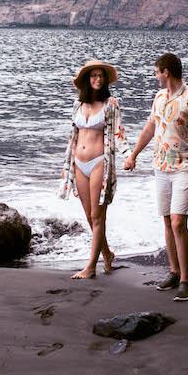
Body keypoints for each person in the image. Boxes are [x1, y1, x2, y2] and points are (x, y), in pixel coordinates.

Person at [123, 52, 188, 301]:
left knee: (177, 222)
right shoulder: (159, 97)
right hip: (161, 167)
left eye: (156, 72)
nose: (155, 77)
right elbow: (151, 127)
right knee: (166, 220)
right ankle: (173, 272)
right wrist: (134, 155)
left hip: (186, 167)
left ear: (166, 72)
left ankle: (185, 280)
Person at [58, 60, 129, 279]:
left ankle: (90, 267)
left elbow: (118, 132)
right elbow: (74, 135)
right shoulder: (77, 104)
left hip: (99, 162)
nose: (97, 79)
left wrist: (128, 156)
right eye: (93, 76)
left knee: (98, 217)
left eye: (101, 76)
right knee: (90, 217)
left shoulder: (111, 104)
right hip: (78, 164)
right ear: (87, 80)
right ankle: (107, 254)